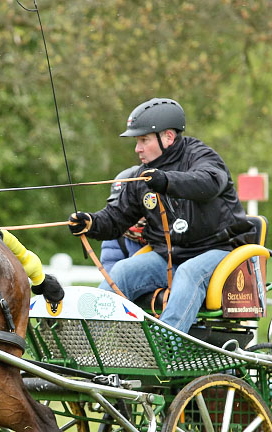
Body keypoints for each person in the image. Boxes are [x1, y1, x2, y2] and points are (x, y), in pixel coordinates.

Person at [68, 98, 252, 333]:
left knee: (189, 272)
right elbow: (116, 219)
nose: (138, 149)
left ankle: (167, 347)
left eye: (143, 140)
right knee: (123, 270)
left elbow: (210, 182)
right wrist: (91, 223)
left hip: (220, 252)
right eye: (137, 142)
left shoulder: (200, 155)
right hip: (169, 258)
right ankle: (85, 340)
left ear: (168, 137)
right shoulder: (141, 177)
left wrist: (166, 181)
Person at [98, 164, 146, 271]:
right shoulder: (114, 238)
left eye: (129, 204)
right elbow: (112, 279)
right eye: (119, 205)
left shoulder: (171, 230)